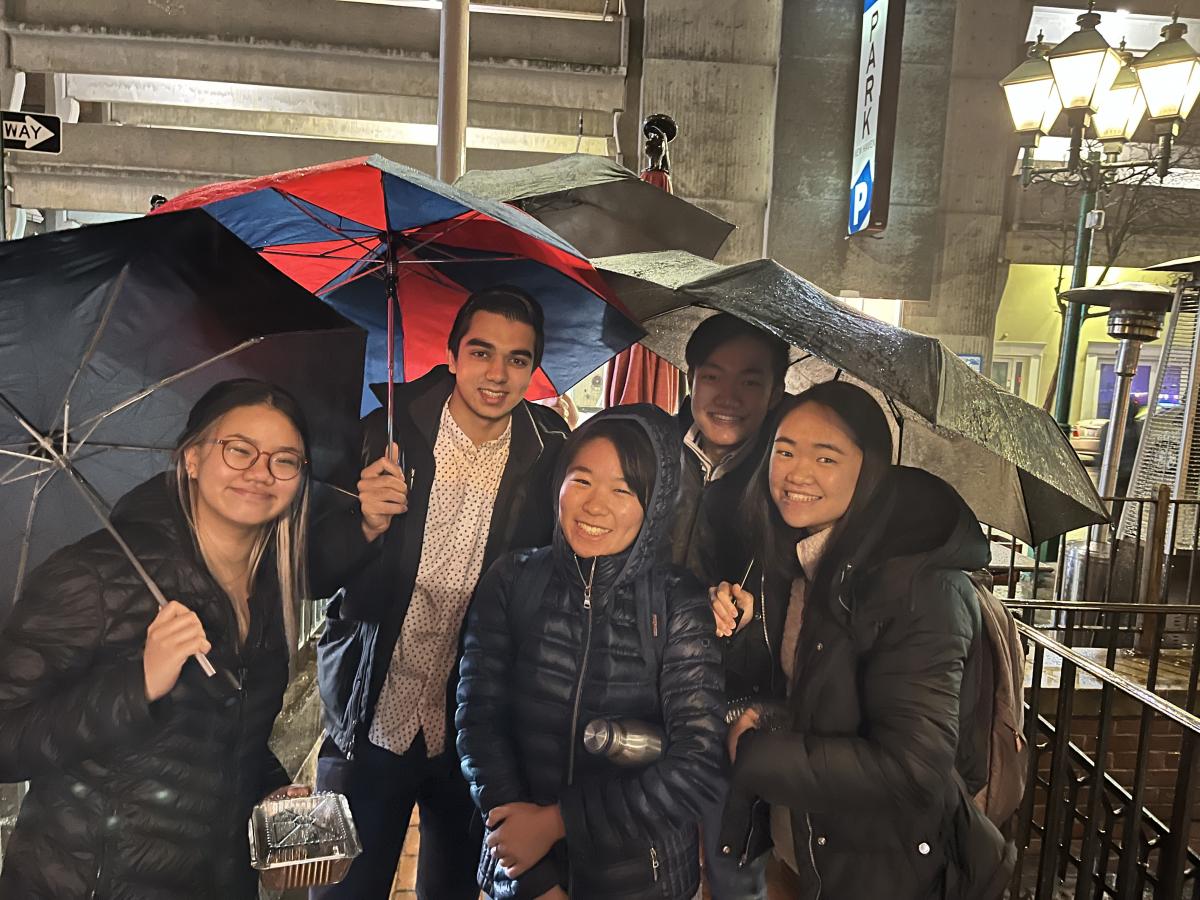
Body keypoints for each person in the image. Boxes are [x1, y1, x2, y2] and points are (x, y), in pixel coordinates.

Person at [0, 379, 313, 900]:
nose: (260, 472)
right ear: (192, 459)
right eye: (239, 450)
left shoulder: (267, 589)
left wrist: (271, 796)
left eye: (285, 460)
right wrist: (139, 682)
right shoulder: (96, 575)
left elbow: (229, 734)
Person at [309, 286, 569, 900]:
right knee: (341, 889)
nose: (497, 375)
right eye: (482, 353)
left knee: (451, 889)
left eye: (518, 359)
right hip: (367, 713)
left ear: (532, 371)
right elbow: (312, 575)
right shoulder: (385, 433)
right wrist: (363, 523)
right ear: (452, 355)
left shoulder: (547, 454)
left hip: (472, 727)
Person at [714, 381, 990, 899]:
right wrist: (769, 703)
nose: (796, 474)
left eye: (826, 458)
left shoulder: (919, 586)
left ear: (870, 471)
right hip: (804, 851)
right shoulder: (809, 565)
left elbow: (912, 769)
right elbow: (826, 700)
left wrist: (756, 756)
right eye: (785, 450)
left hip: (881, 870)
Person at [457, 405, 725, 899]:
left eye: (624, 490)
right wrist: (531, 874)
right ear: (558, 483)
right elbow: (478, 723)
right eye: (581, 481)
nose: (595, 506)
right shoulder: (513, 579)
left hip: (644, 879)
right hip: (522, 871)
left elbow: (697, 765)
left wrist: (556, 823)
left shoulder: (676, 601)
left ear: (656, 504)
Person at [671, 313, 789, 899]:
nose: (728, 397)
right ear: (690, 379)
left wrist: (751, 612)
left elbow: (801, 607)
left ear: (775, 391)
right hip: (652, 698)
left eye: (750, 381)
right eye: (712, 375)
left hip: (738, 711)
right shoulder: (655, 457)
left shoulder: (786, 480)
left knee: (732, 873)